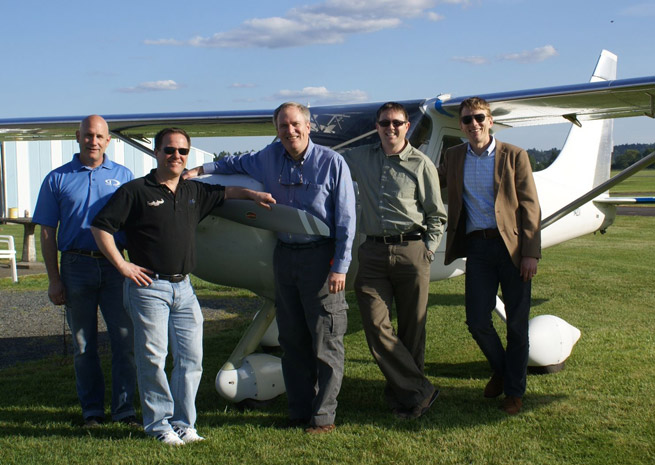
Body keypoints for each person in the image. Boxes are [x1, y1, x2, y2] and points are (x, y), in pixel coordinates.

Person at [91, 128, 275, 445]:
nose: (176, 156)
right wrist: (122, 265)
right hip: (150, 288)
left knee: (191, 360)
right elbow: (100, 226)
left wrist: (255, 196)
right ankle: (158, 424)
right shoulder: (135, 191)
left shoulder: (193, 192)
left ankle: (184, 424)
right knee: (153, 360)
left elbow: (228, 192)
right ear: (156, 152)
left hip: (184, 289)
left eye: (183, 151)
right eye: (169, 150)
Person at [184, 102, 356, 434]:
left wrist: (341, 266)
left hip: (321, 257)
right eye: (282, 126)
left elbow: (347, 220)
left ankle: (323, 417)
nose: (289, 131)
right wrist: (199, 171)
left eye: (295, 125)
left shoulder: (332, 162)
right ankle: (298, 410)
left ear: (308, 127)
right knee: (292, 339)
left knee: (326, 339)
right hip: (284, 255)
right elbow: (232, 161)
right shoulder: (268, 156)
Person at [340, 102, 447, 420]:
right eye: (384, 123)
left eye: (397, 123)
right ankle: (420, 390)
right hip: (372, 252)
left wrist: (428, 248)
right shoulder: (360, 158)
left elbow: (436, 214)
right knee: (375, 324)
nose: (391, 128)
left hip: (412, 250)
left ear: (407, 126)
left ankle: (408, 398)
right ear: (377, 126)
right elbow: (325, 162)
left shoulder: (421, 164)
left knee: (413, 328)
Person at [437, 97, 541, 415]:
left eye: (479, 117)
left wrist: (530, 254)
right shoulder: (453, 157)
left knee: (517, 325)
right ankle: (503, 369)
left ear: (490, 120)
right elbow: (428, 185)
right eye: (467, 120)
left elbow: (530, 206)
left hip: (511, 248)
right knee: (477, 320)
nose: (473, 124)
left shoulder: (514, 155)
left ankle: (513, 392)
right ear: (462, 125)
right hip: (477, 248)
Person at [32, 115, 137, 428]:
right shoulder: (57, 179)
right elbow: (48, 232)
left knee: (125, 341)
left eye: (100, 136)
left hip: (116, 265)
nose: (94, 141)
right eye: (88, 135)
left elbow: (132, 226)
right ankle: (92, 412)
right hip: (76, 267)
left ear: (108, 140)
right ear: (77, 137)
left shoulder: (123, 175)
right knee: (83, 344)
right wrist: (54, 279)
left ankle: (124, 410)